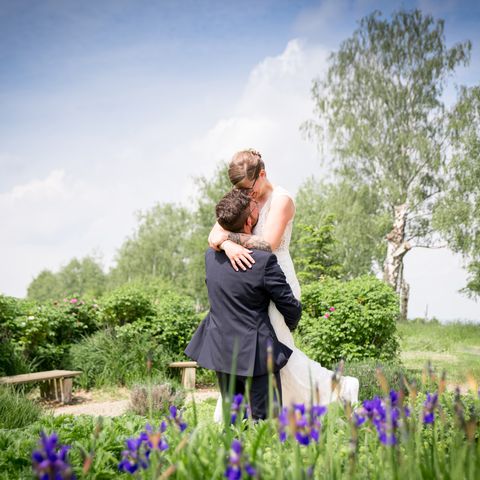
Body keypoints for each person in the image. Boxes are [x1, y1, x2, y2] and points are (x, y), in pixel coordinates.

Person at [209, 149, 359, 419]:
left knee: (277, 351)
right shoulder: (245, 194)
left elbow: (268, 243)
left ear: (262, 175)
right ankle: (262, 411)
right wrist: (227, 246)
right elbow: (213, 235)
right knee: (252, 350)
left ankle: (339, 389)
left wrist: (227, 238)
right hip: (250, 282)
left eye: (249, 188)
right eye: (240, 189)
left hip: (277, 278)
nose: (246, 195)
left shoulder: (282, 200)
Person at [185, 188, 302, 421]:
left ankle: (232, 456)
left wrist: (226, 243)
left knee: (233, 418)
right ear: (249, 221)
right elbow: (289, 304)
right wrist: (290, 323)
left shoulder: (211, 257)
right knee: (266, 422)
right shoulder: (263, 261)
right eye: (254, 210)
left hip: (221, 347)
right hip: (257, 352)